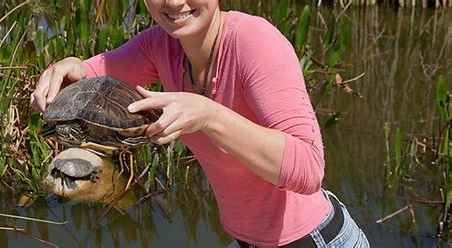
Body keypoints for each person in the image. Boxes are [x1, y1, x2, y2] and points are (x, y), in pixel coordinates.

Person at [31, 1, 369, 247]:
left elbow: (309, 170)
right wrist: (70, 68)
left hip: (313, 239)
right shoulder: (161, 45)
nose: (175, 2)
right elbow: (93, 73)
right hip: (247, 239)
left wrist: (209, 115)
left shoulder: (253, 42)